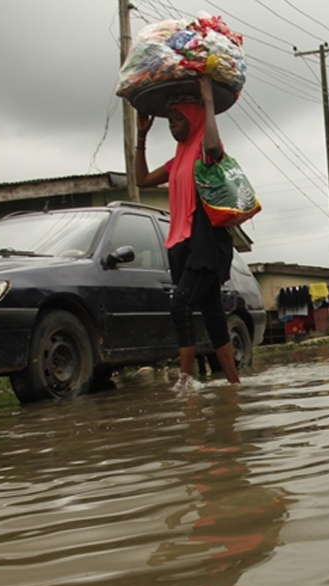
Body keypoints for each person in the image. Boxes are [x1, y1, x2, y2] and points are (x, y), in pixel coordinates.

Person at [134, 75, 240, 388]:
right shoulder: (176, 160)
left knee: (180, 304)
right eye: (170, 121)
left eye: (179, 120)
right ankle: (234, 384)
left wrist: (207, 102)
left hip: (207, 245)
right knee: (212, 313)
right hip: (183, 244)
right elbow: (141, 180)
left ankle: (185, 381)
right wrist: (142, 137)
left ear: (193, 119)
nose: (173, 126)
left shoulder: (205, 153)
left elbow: (211, 144)